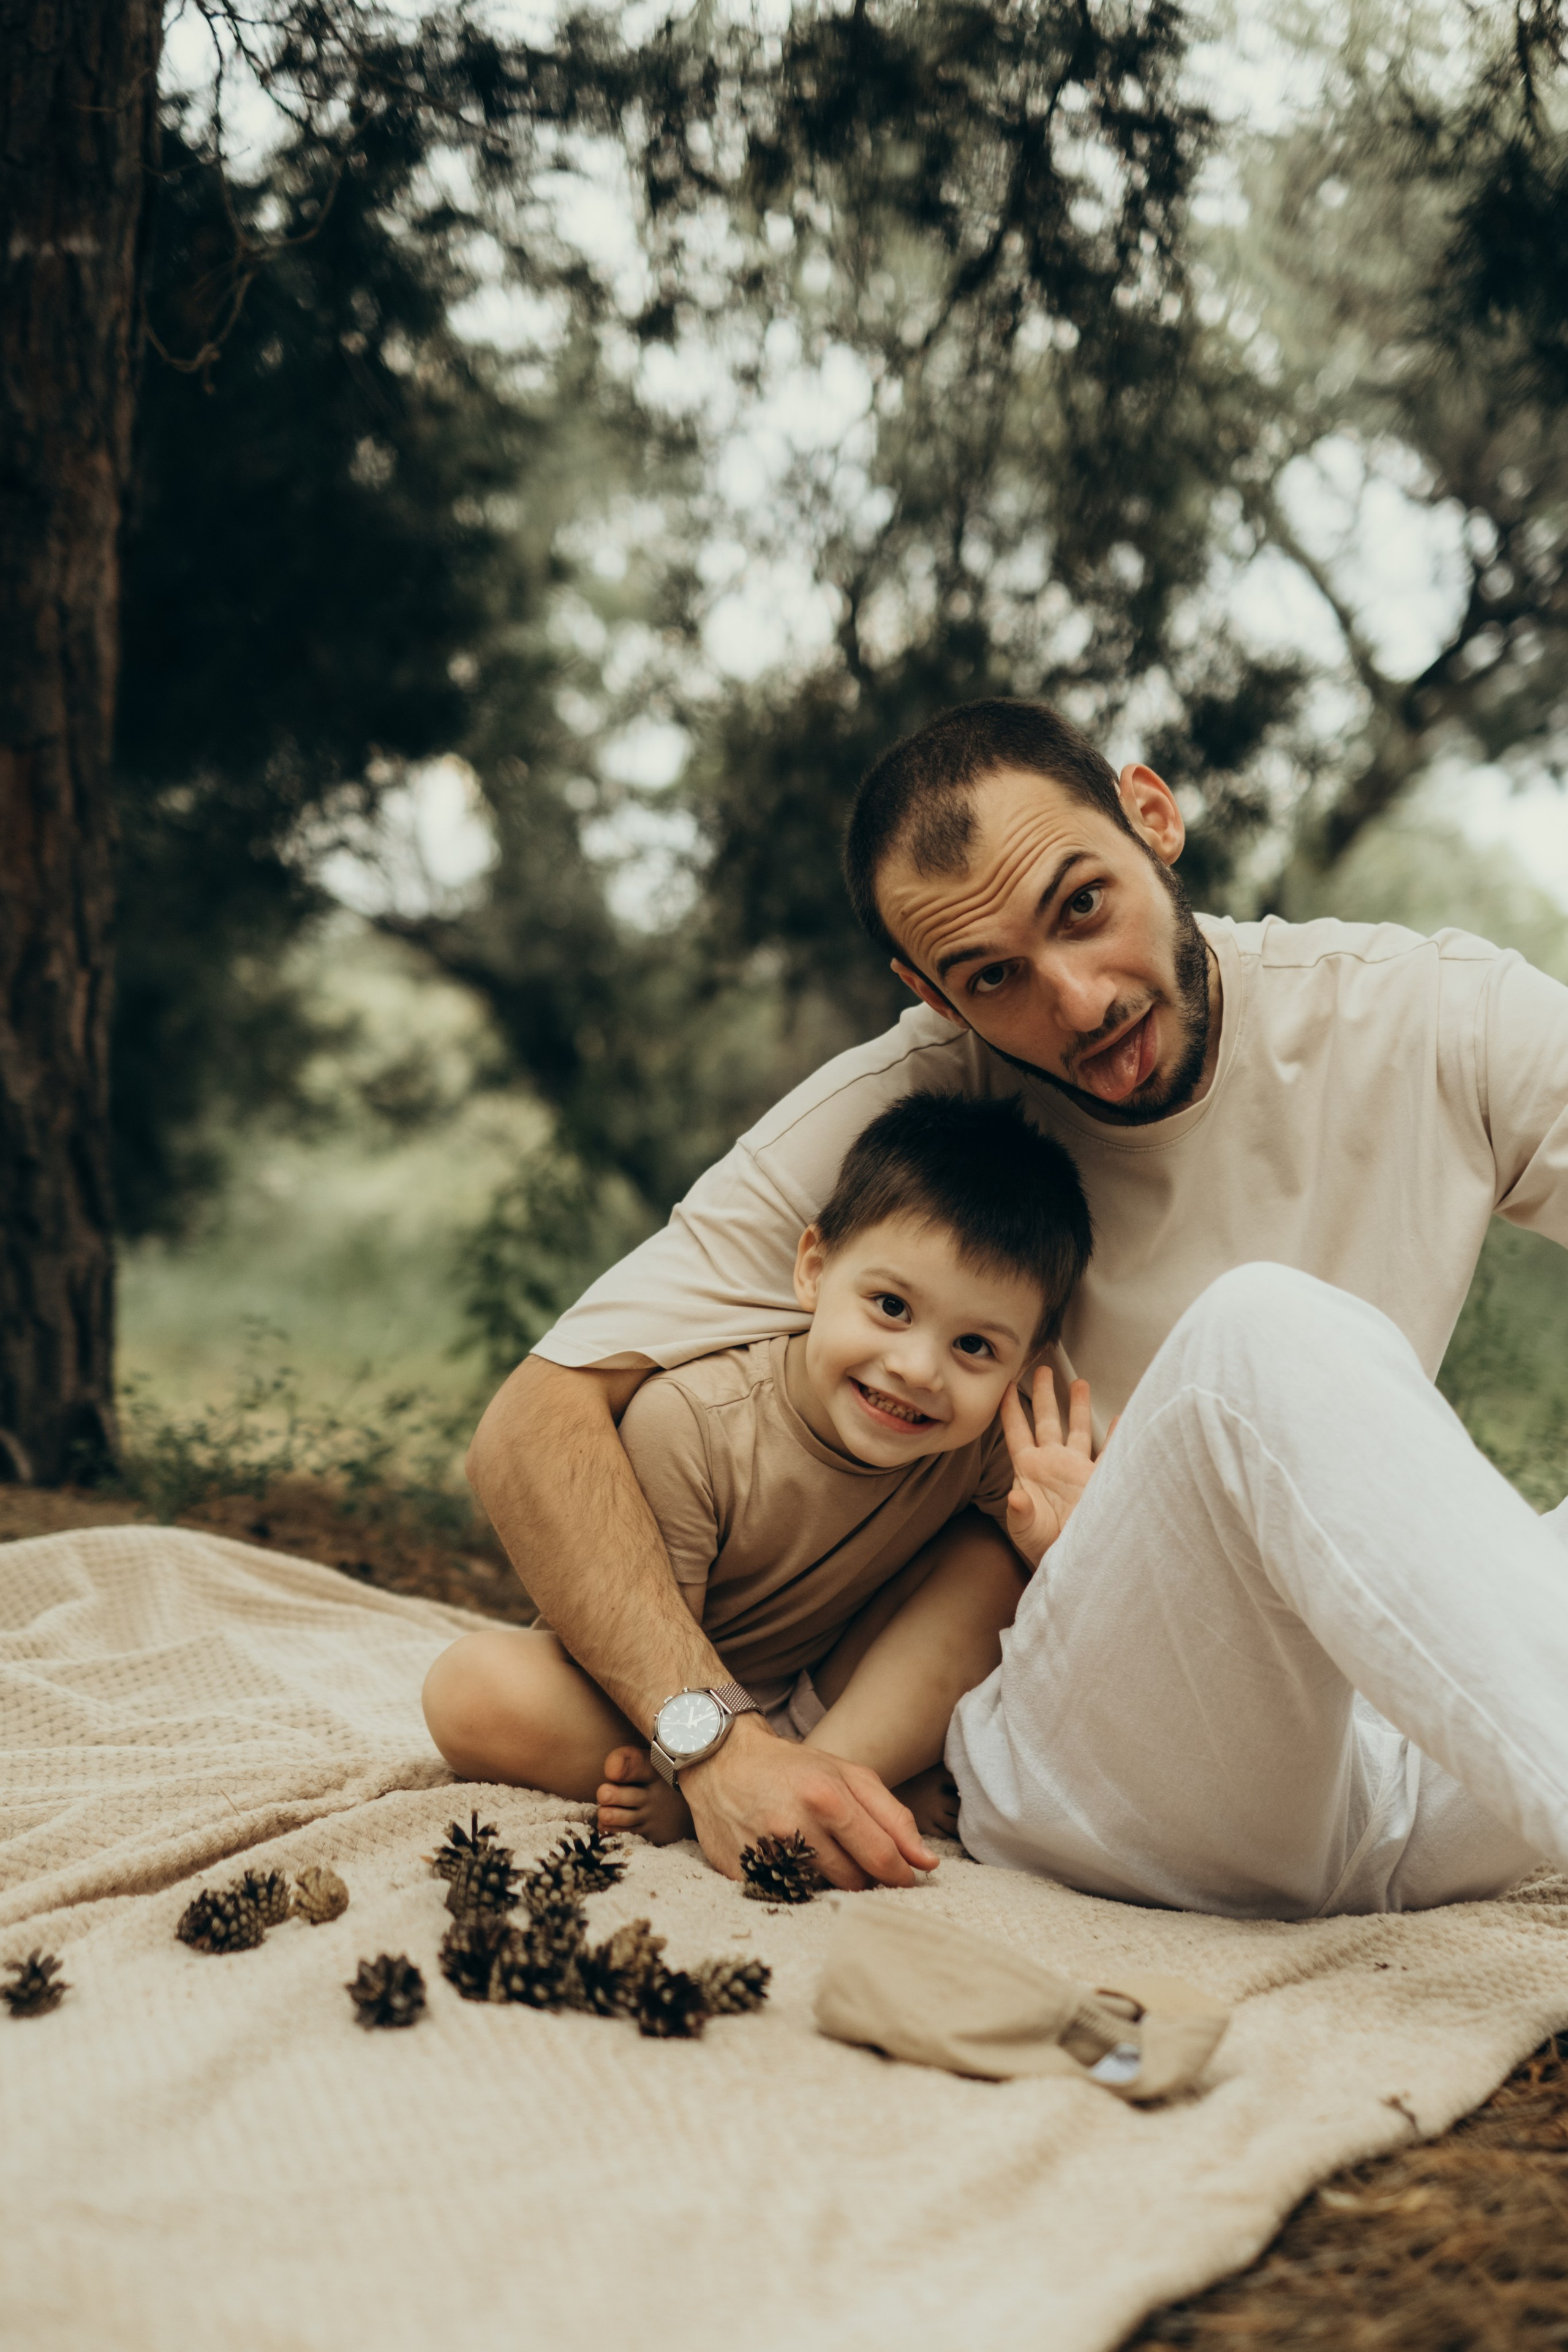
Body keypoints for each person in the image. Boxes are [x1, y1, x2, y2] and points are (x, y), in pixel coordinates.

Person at [462, 696, 1568, 1905]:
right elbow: (537, 1417)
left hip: (1419, 1763)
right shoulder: (912, 1122)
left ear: (1150, 817)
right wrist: (718, 1745)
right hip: (1102, 1767)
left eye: (1080, 907)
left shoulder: (1433, 1017)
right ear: (934, 994)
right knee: (1263, 1329)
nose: (1078, 1002)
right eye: (992, 977)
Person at [423, 1093, 1095, 1850]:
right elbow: (637, 1644)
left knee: (992, 1561)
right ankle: (772, 1785)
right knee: (471, 1690)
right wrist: (703, 1755)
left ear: (1024, 1366)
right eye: (890, 1306)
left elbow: (1058, 1625)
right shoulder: (691, 1421)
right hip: (661, 1701)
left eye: (974, 1347)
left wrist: (1056, 1550)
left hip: (825, 1698)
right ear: (813, 1270)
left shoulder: (984, 1443)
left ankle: (822, 1775)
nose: (916, 1368)